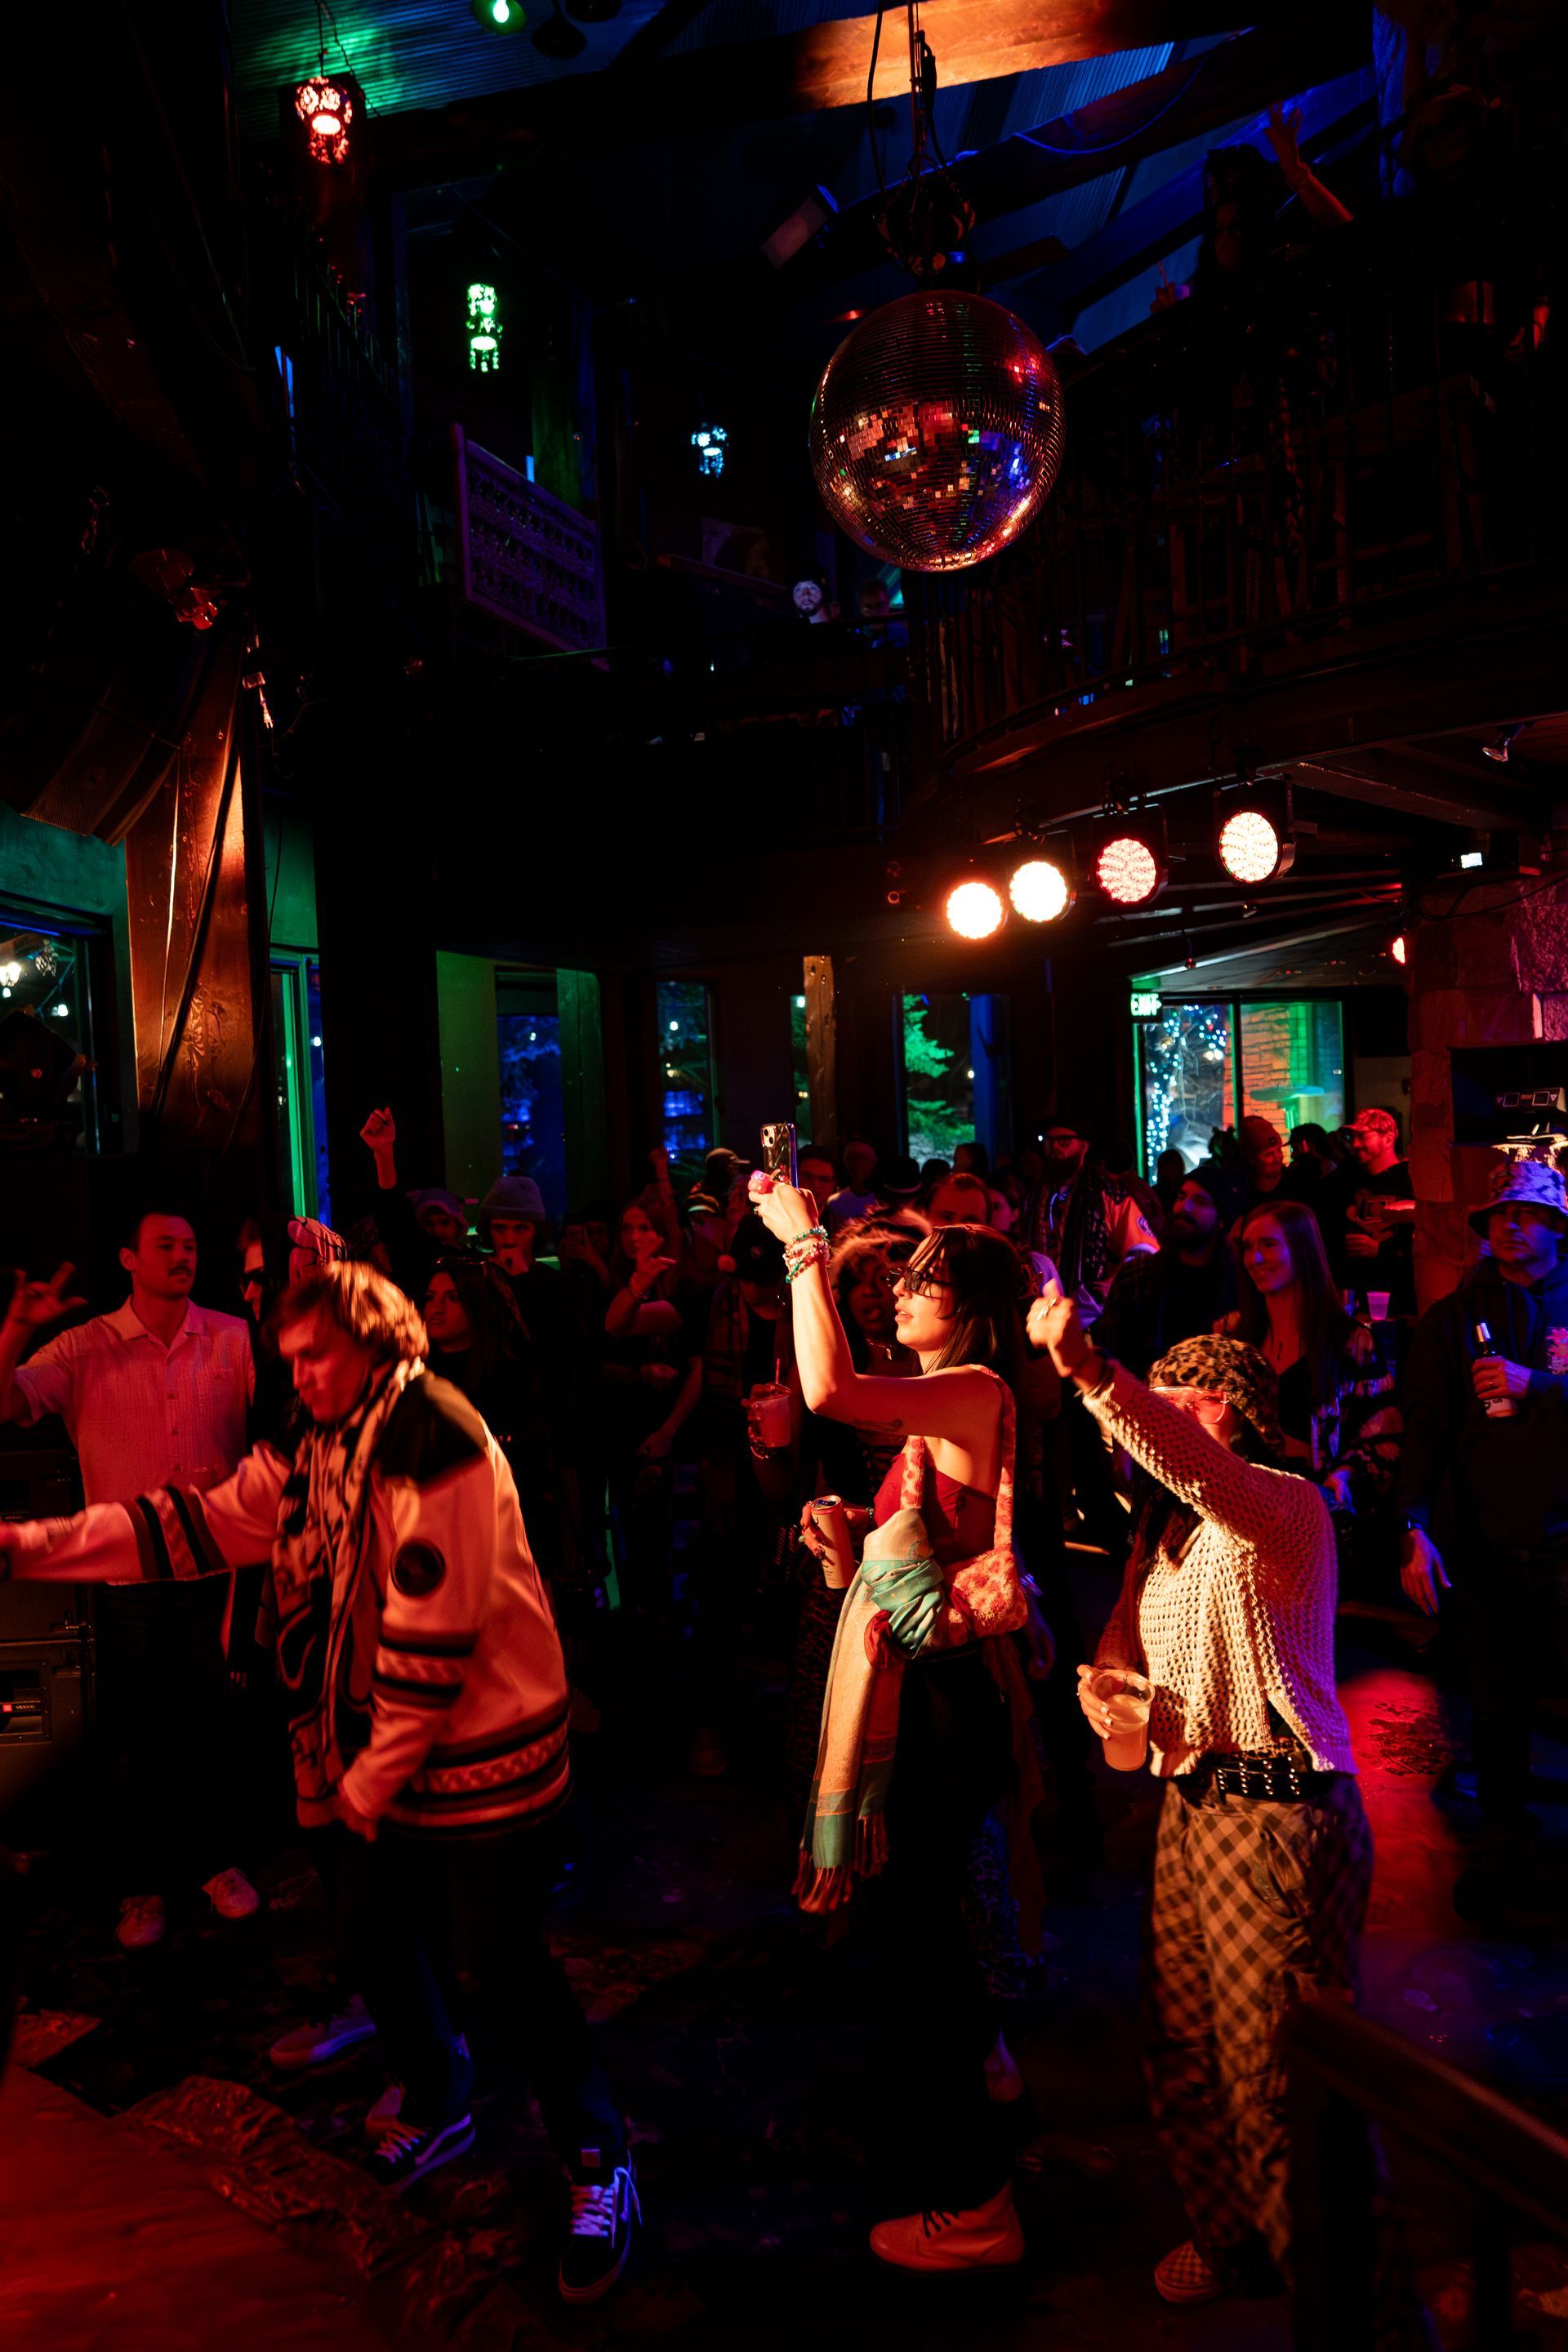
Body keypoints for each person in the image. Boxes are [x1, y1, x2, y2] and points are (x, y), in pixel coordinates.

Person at [0, 1260, 636, 2300]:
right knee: (372, 1939)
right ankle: (439, 2099)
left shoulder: (437, 1433)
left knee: (503, 1966)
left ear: (377, 1341)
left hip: (483, 1759)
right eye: (288, 1358)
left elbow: (436, 1630)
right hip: (378, 1761)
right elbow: (192, 1520)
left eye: (313, 1356)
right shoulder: (327, 1443)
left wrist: (367, 1783)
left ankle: (599, 2157)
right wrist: (22, 1548)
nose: (295, 1377)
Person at [1030, 1299, 1367, 2309]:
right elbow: (1136, 1660)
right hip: (1191, 1813)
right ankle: (1232, 2243)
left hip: (1278, 1817)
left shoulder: (1281, 1504)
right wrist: (1111, 1693)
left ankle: (1350, 2305)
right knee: (1181, 2046)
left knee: (1280, 2080)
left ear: (1234, 1411)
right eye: (1156, 1393)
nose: (1160, 1418)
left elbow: (1193, 1467)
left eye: (1184, 1396)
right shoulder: (1166, 1535)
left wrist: (1095, 1373)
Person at [749, 1174, 1031, 2275]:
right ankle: (978, 2098)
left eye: (926, 1281)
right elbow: (922, 1559)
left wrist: (801, 1243)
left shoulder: (974, 1389)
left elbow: (826, 1387)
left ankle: (976, 2203)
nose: (901, 1292)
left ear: (972, 1310)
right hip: (927, 1691)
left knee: (920, 1940)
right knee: (920, 1928)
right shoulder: (935, 1416)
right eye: (904, 1276)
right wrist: (848, 1550)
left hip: (943, 1710)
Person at [0, 1209, 258, 1949]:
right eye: (166, 1247)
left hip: (215, 1566)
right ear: (128, 1259)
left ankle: (216, 1865)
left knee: (213, 1727)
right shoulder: (88, 1346)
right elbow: (6, 1404)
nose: (182, 1257)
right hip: (127, 1577)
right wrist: (16, 1330)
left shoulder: (231, 1336)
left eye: (190, 1246)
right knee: (131, 1736)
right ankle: (141, 1887)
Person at [1397, 1160, 1568, 1911]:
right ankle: (1503, 1850)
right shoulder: (1456, 1315)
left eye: (1525, 1215)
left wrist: (1544, 1386)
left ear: (1557, 1227)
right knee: (1495, 1706)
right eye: (1498, 1215)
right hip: (1487, 1543)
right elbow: (1426, 1431)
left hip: (1567, 1542)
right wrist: (1413, 1526)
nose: (1509, 1225)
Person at [1224, 1203, 1402, 1514]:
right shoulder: (1235, 1339)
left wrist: (1344, 1476)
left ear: (1302, 1249)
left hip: (1312, 1514)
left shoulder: (1348, 1342)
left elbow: (1384, 1437)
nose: (1254, 1259)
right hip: (1241, 1510)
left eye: (1268, 1244)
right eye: (1248, 1247)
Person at [1097, 1174, 1237, 1379]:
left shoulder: (1236, 1283)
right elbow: (1111, 1357)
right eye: (1181, 1197)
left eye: (1200, 1202)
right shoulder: (1137, 1277)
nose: (1184, 1208)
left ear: (1222, 1219)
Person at [1321, 1109, 1415, 1315]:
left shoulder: (1410, 1181)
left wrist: (1380, 1250)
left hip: (1400, 1300)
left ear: (1388, 1137)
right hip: (1357, 1301)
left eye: (1363, 1136)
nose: (1355, 1144)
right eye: (1353, 1137)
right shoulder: (1347, 1182)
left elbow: (1420, 1242)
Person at [826, 1138, 881, 1233]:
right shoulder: (835, 1202)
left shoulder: (883, 1201)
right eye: (851, 1158)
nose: (857, 1164)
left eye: (862, 1158)